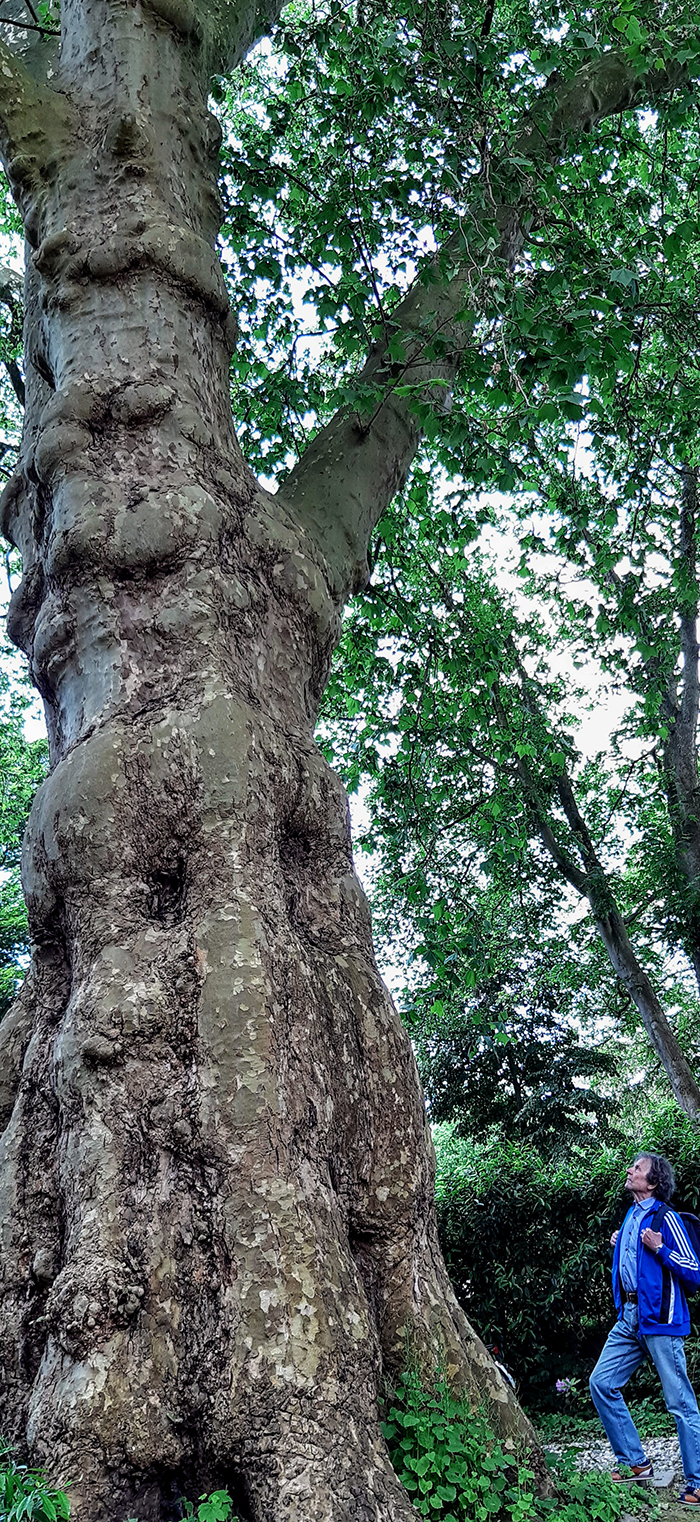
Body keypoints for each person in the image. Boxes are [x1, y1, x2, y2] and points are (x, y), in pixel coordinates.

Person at [589, 1152, 700, 1504]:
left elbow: (693, 1271)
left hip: (662, 1321)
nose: (629, 1170)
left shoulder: (666, 1218)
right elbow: (634, 1268)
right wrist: (620, 1243)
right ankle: (635, 1462)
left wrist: (661, 1247)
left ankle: (697, 1481)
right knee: (602, 1382)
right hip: (631, 1319)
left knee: (680, 1403)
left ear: (652, 1182)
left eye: (637, 1168)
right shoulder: (632, 1215)